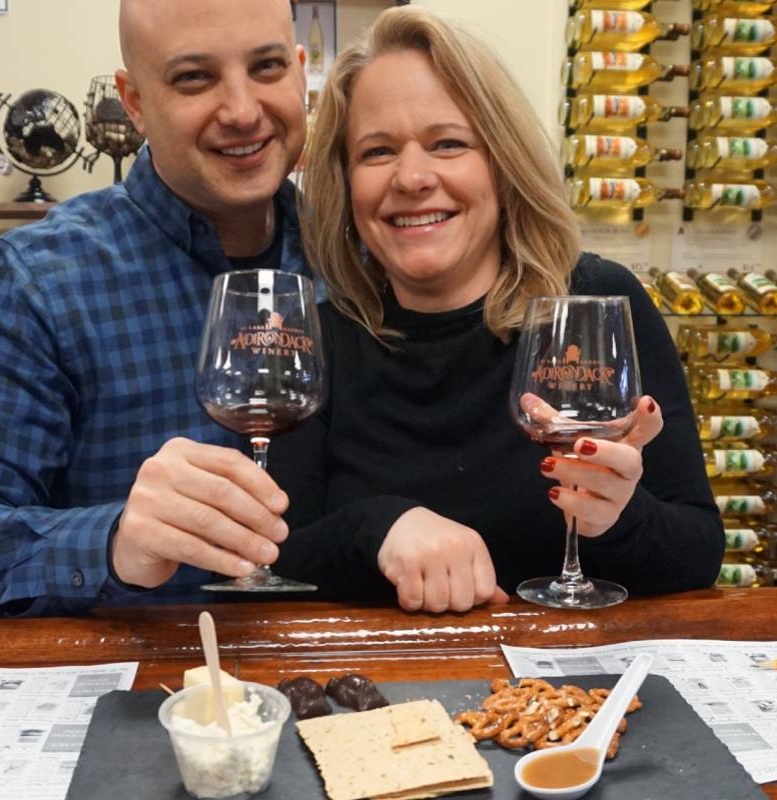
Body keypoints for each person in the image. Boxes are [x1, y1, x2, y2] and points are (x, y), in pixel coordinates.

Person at [266, 6, 725, 612]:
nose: (411, 177)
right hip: (383, 692)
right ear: (345, 181)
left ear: (503, 163)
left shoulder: (591, 307)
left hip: (571, 694)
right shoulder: (323, 337)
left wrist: (615, 515)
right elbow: (274, 566)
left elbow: (698, 554)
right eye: (376, 152)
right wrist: (375, 529)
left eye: (448, 143)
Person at [0, 0, 312, 617]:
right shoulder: (40, 277)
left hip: (353, 685)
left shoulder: (353, 252)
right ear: (135, 101)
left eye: (268, 66)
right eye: (194, 77)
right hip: (141, 695)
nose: (243, 111)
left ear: (300, 71)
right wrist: (113, 543)